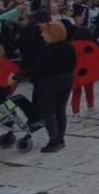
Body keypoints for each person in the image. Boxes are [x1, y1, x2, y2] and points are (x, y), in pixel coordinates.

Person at [23, 22, 75, 153]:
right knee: (60, 110)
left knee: (48, 112)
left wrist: (18, 76)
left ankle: (54, 140)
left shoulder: (49, 50)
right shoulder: (69, 46)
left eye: (44, 32)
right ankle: (60, 138)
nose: (42, 34)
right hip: (67, 79)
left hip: (50, 82)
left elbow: (37, 68)